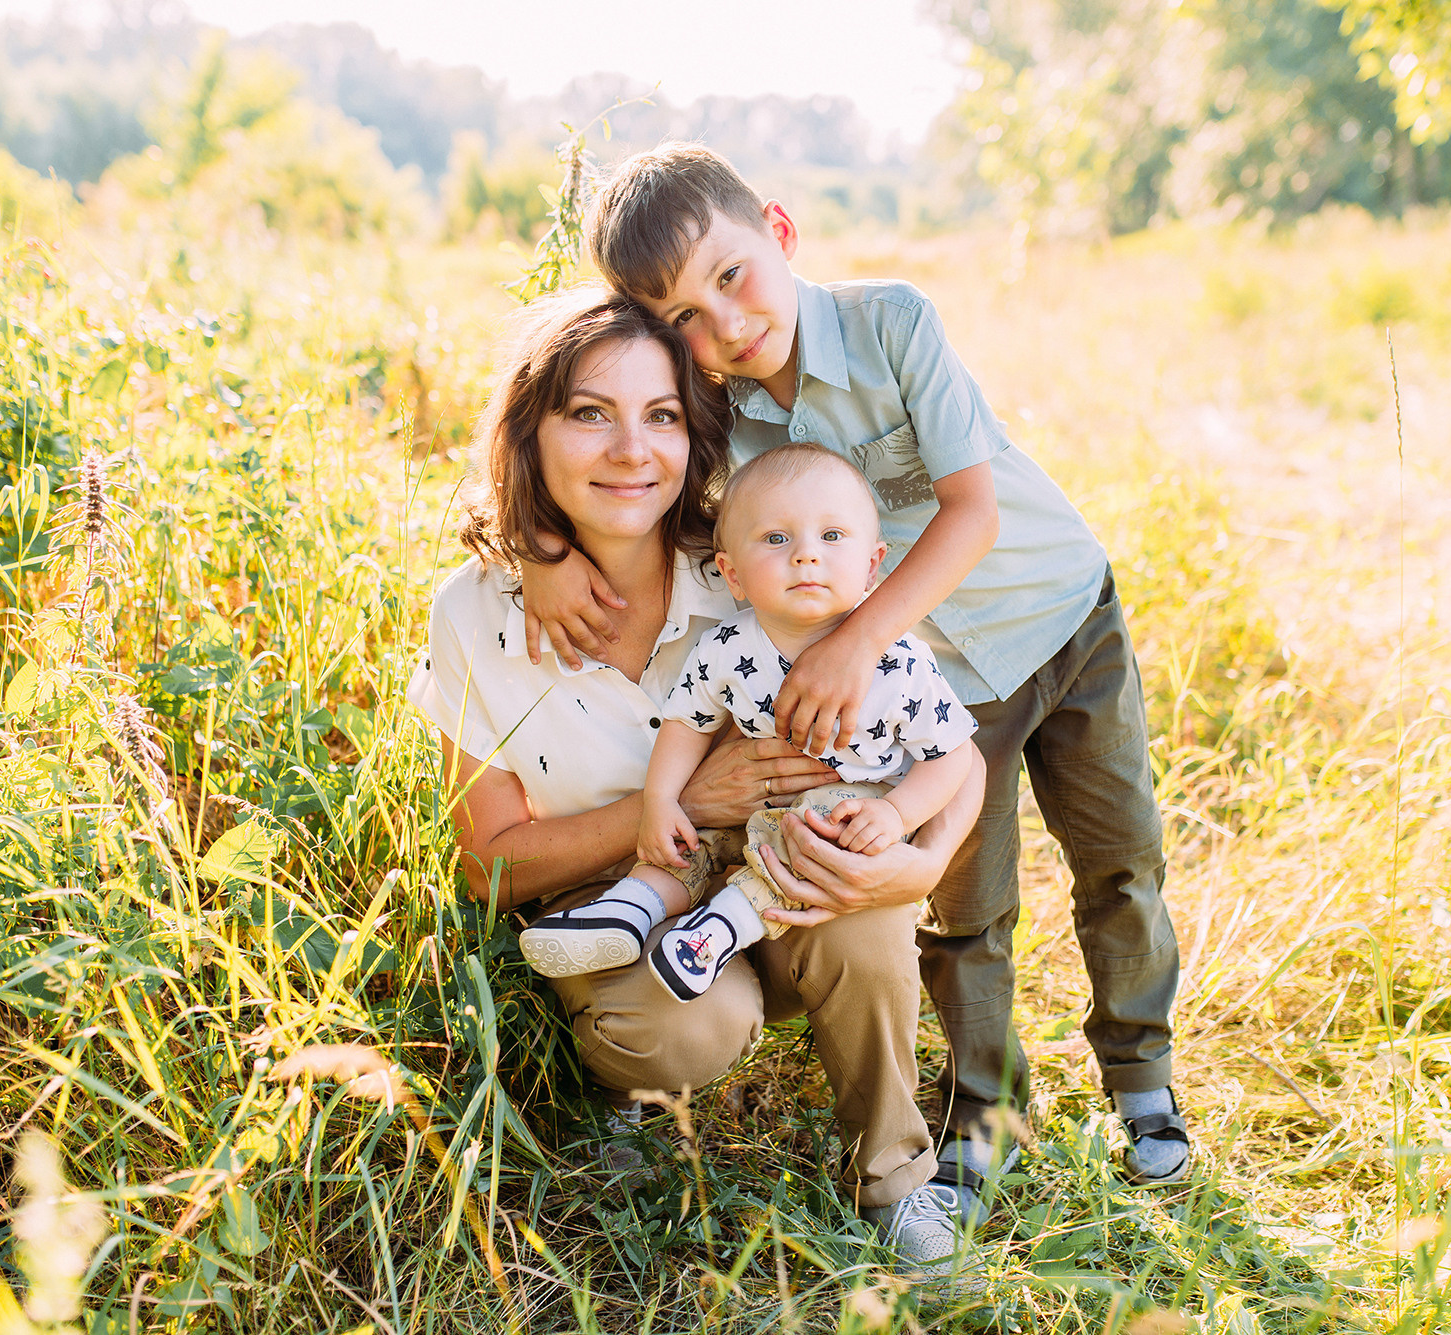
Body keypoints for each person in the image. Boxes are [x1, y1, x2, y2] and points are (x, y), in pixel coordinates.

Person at [519, 144, 1190, 1209]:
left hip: (1062, 616)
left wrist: (851, 642)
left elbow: (971, 510)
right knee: (963, 902)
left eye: (731, 278)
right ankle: (981, 1115)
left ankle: (1141, 1082)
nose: (724, 327)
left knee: (1119, 859)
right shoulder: (721, 418)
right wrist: (537, 552)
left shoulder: (892, 323)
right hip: (946, 683)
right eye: (683, 319)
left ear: (778, 232)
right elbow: (623, 489)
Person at [408, 288, 988, 1275]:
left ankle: (892, 1179)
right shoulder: (475, 615)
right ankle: (632, 1092)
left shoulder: (757, 561)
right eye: (589, 413)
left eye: (662, 416)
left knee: (856, 910)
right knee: (683, 1027)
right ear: (529, 432)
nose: (631, 450)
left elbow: (949, 749)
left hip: (791, 864)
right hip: (624, 902)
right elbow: (487, 869)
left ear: (694, 438)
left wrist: (914, 863)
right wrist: (681, 804)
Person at [521, 442, 976, 1002]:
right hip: (750, 807)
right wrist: (662, 801)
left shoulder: (896, 660)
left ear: (872, 565)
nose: (806, 556)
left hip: (845, 811)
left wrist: (895, 811)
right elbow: (687, 724)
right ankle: (630, 908)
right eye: (777, 539)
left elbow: (952, 753)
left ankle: (715, 934)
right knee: (688, 834)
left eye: (832, 537)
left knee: (815, 832)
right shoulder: (728, 644)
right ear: (733, 576)